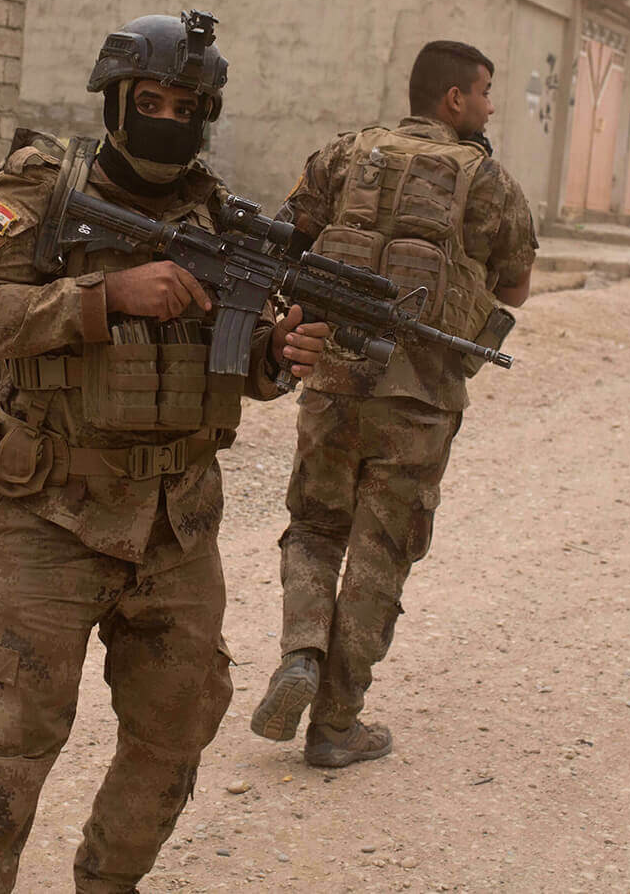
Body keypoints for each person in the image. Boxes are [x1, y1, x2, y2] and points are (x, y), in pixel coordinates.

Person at [0, 12, 331, 894]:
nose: (167, 117)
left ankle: (108, 882)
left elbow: (243, 365)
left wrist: (275, 355)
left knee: (176, 732)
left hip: (178, 524)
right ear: (115, 99)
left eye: (186, 105)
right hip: (51, 513)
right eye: (150, 100)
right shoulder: (37, 188)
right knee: (7, 743)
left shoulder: (219, 217)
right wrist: (104, 295)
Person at [249, 39, 536, 768]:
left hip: (332, 378)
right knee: (381, 552)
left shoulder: (344, 155)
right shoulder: (489, 180)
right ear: (454, 100)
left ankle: (302, 651)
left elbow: (286, 238)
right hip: (421, 395)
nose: (491, 105)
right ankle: (337, 723)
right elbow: (515, 287)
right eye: (485, 92)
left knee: (314, 526)